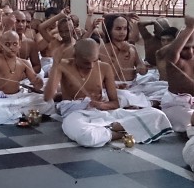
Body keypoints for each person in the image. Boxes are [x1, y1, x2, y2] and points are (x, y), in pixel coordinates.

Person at [44, 38, 172, 147]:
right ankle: (119, 132)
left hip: (103, 112)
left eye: (94, 61)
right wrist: (55, 65)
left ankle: (110, 128)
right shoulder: (63, 66)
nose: (91, 66)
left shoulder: (104, 67)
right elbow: (48, 97)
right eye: (86, 62)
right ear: (75, 56)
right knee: (87, 137)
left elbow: (115, 103)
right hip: (76, 115)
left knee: (157, 115)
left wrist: (101, 105)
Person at [0, 31, 54, 125]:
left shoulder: (24, 63)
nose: (11, 47)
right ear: (1, 45)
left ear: (19, 45)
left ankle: (17, 113)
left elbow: (37, 85)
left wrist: (38, 82)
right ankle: (22, 113)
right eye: (7, 44)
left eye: (15, 44)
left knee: (49, 102)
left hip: (19, 97)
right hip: (0, 99)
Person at [161, 15, 194, 132]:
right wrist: (190, 27)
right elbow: (173, 51)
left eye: (193, 47)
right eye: (185, 48)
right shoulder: (173, 59)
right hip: (175, 105)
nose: (190, 51)